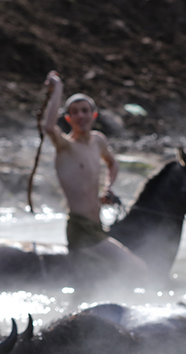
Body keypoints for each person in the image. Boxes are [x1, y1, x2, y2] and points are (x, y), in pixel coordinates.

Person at [42, 71, 148, 278]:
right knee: (138, 267)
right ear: (68, 118)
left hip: (97, 223)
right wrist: (58, 88)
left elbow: (113, 163)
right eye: (75, 112)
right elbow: (48, 127)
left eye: (85, 111)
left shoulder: (98, 140)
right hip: (81, 229)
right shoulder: (66, 147)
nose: (81, 116)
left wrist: (108, 188)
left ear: (94, 115)